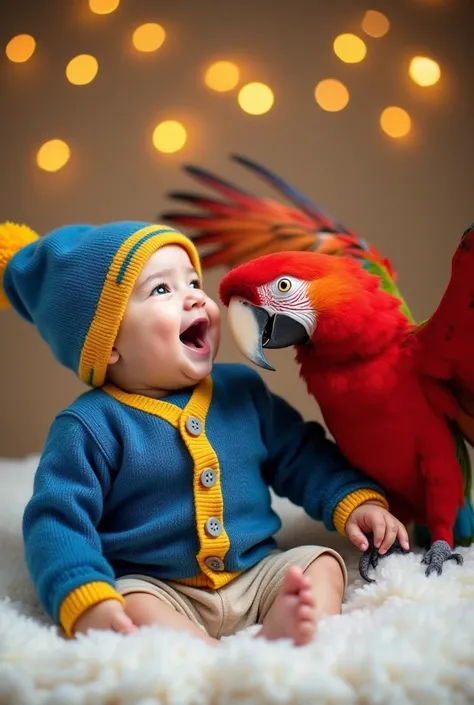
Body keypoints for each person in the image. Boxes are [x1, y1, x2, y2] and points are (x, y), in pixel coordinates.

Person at [0, 220, 409, 647]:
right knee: (128, 601)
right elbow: (58, 520)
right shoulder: (91, 426)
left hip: (254, 573)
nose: (196, 295)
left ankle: (295, 630)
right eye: (162, 290)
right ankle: (204, 652)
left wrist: (354, 500)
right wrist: (83, 596)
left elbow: (301, 454)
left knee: (319, 564)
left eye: (193, 281)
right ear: (107, 343)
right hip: (160, 587)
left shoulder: (241, 392)